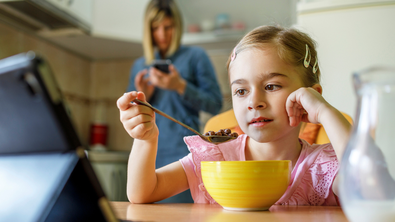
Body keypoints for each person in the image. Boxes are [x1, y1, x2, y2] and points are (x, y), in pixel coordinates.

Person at [118, 25, 352, 205]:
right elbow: (143, 193)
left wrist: (325, 112)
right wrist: (145, 139)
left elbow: (372, 191)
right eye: (241, 91)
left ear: (309, 97)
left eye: (271, 86)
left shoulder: (323, 169)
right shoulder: (216, 157)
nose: (254, 102)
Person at [125, 0, 223, 202]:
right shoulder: (139, 66)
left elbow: (215, 104)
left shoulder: (196, 56)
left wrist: (180, 86)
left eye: (168, 27)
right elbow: (130, 119)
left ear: (177, 27)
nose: (162, 34)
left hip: (185, 156)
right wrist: (143, 97)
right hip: (148, 157)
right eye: (155, 28)